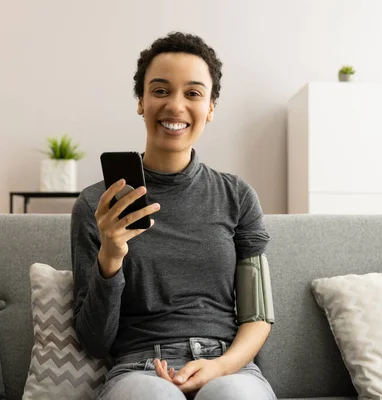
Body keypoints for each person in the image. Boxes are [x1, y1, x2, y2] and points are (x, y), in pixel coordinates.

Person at [70, 31, 276, 400]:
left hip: (227, 366)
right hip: (139, 368)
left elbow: (257, 315)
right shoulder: (96, 205)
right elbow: (95, 341)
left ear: (211, 108)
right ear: (141, 101)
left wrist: (221, 366)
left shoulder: (237, 196)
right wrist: (111, 256)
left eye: (193, 93)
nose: (175, 106)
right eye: (161, 90)